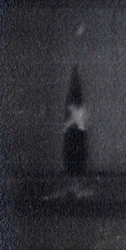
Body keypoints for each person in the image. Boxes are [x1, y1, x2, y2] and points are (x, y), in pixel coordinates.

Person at [44, 68, 94, 200]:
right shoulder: (75, 108)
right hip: (74, 137)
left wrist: (73, 118)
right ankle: (74, 185)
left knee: (75, 161)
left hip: (76, 136)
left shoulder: (76, 109)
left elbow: (78, 124)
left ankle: (74, 185)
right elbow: (76, 124)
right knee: (74, 161)